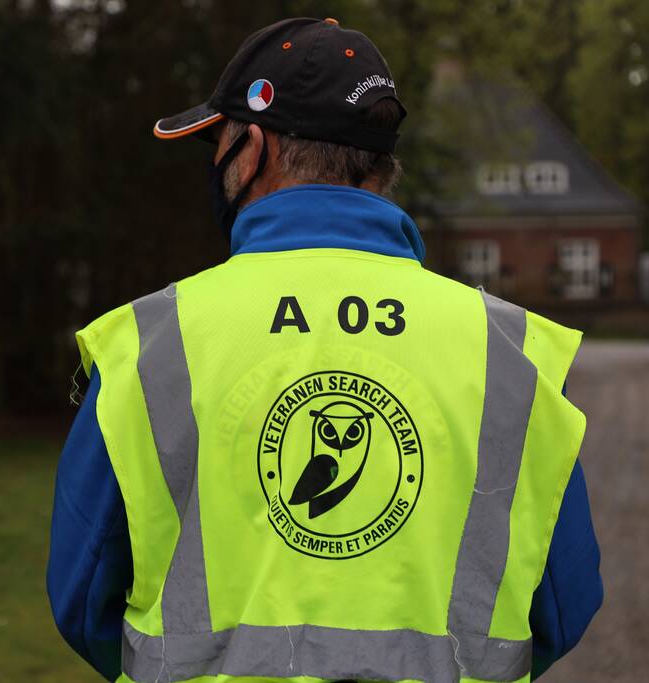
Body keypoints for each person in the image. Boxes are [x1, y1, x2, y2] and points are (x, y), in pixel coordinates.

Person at [47, 17, 602, 683]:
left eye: (218, 145)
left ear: (253, 149)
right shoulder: (507, 352)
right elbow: (565, 604)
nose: (216, 166)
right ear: (381, 164)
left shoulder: (152, 344)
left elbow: (83, 598)